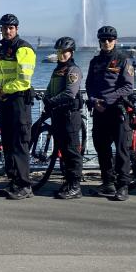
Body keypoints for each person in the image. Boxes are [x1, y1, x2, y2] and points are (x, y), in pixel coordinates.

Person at [85, 25, 134, 201]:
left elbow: (128, 86)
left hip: (116, 110)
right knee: (102, 148)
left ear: (115, 41)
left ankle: (123, 186)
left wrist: (107, 100)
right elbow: (89, 84)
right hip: (99, 111)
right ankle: (108, 182)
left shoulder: (123, 60)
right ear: (99, 42)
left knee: (121, 150)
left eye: (110, 40)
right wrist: (93, 100)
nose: (106, 42)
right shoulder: (95, 61)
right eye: (103, 40)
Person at [0, 13, 36, 199]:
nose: (7, 31)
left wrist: (5, 89)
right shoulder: (2, 50)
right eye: (4, 28)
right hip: (5, 100)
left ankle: (24, 185)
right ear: (1, 29)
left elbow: (24, 80)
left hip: (19, 100)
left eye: (11, 28)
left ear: (16, 29)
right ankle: (14, 182)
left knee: (19, 143)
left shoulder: (23, 48)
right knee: (8, 143)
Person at [41, 37, 84, 199]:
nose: (61, 54)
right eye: (59, 52)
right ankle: (68, 182)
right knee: (63, 151)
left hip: (70, 115)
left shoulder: (73, 70)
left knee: (72, 150)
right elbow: (49, 87)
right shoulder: (57, 69)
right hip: (57, 114)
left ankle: (75, 186)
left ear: (71, 53)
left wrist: (52, 101)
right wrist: (46, 98)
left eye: (64, 52)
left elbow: (70, 93)